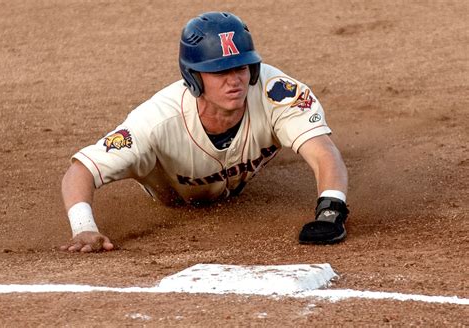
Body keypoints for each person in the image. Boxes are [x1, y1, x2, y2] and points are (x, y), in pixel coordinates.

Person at [60, 12, 349, 253]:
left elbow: (324, 151)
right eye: (219, 72)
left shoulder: (278, 93)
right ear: (193, 77)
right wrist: (84, 228)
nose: (234, 81)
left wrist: (331, 210)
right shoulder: (156, 122)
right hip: (173, 199)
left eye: (241, 68)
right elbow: (82, 170)